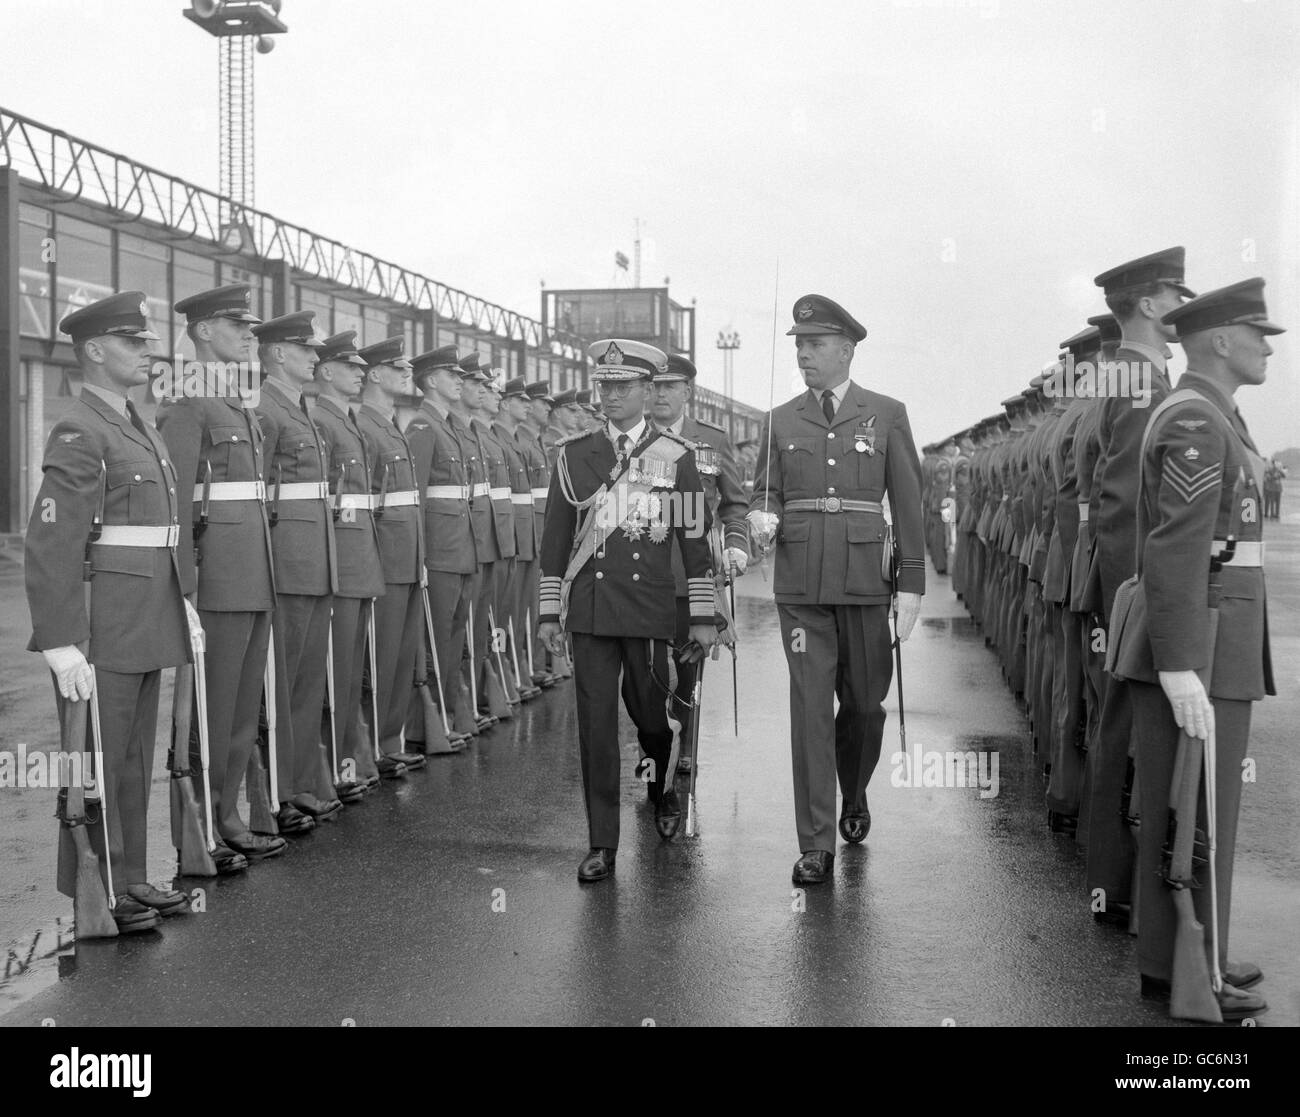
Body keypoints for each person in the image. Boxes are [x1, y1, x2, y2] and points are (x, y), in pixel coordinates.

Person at [1113, 277, 1280, 1020]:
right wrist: (1180, 663)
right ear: (1218, 339)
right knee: (1190, 806)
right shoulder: (1195, 420)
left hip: (1219, 633)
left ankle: (1198, 951)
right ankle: (1177, 968)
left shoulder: (1214, 414)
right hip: (1201, 637)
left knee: (1205, 807)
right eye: (1257, 333)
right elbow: (1177, 548)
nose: (1266, 346)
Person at [27, 291, 192, 931]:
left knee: (129, 757)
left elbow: (163, 532)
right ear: (96, 350)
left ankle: (130, 877)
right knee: (94, 755)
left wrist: (185, 605)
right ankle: (98, 887)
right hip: (104, 622)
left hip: (148, 612)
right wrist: (60, 640)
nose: (148, 351)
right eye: (134, 341)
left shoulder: (140, 425)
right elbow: (52, 542)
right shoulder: (80, 429)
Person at [748, 295, 924, 886]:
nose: (803, 354)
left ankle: (854, 790)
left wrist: (913, 584)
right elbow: (764, 491)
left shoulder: (887, 413)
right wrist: (762, 516)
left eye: (815, 345)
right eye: (799, 345)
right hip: (800, 582)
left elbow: (908, 500)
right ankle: (816, 841)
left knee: (865, 707)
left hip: (864, 581)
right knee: (809, 710)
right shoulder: (781, 419)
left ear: (846, 351)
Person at [538, 339, 717, 882]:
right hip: (591, 609)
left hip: (645, 609)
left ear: (647, 389)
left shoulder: (676, 457)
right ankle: (602, 842)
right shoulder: (574, 454)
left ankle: (660, 782)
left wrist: (705, 617)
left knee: (650, 718)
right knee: (594, 727)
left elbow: (692, 540)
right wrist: (550, 612)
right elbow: (555, 539)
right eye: (605, 386)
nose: (611, 396)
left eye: (623, 386)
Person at [1087, 247, 1194, 924]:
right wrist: (1137, 602)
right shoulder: (1136, 379)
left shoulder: (1132, 375)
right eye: (1179, 295)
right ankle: (1117, 885)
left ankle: (1114, 883)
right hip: (1134, 587)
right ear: (1151, 303)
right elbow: (1123, 503)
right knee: (1123, 730)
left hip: (1126, 586)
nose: (1188, 305)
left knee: (1116, 730)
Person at [158, 283, 280, 867]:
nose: (250, 336)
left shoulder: (237, 401)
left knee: (237, 705)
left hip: (253, 571)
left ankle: (227, 814)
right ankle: (199, 828)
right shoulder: (187, 400)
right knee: (210, 706)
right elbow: (176, 499)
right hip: (216, 576)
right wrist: (182, 587)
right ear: (204, 332)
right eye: (239, 327)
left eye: (251, 328)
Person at [252, 311, 341, 830]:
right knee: (281, 684)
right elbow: (260, 497)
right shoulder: (264, 408)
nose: (315, 358)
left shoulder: (298, 408)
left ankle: (301, 780)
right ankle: (279, 792)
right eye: (307, 350)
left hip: (317, 559)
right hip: (287, 561)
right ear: (279, 353)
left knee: (308, 681)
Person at [647, 353, 749, 776]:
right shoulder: (634, 438)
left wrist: (736, 544)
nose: (660, 395)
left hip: (693, 574)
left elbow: (735, 503)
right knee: (647, 669)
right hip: (643, 571)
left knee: (688, 665)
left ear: (687, 391)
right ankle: (653, 745)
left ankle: (685, 743)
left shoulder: (711, 440)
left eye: (670, 386)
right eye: (654, 386)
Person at [406, 346, 481, 739]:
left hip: (460, 548)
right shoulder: (422, 425)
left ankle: (448, 715)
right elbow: (416, 496)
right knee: (436, 639)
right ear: (431, 381)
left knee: (452, 639)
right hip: (439, 550)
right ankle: (428, 723)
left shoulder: (449, 426)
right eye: (451, 375)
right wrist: (419, 554)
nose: (459, 381)